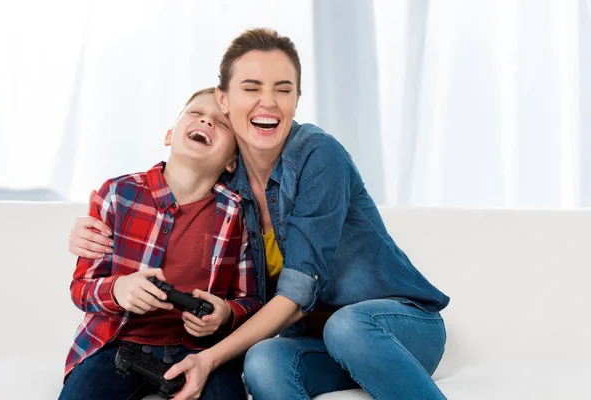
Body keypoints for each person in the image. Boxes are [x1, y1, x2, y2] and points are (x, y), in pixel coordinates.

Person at [69, 29, 450, 400]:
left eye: (283, 89)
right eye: (251, 88)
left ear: (296, 101)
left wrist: (209, 357)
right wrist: (90, 231)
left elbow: (299, 292)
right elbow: (167, 197)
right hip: (321, 340)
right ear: (225, 100)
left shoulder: (319, 156)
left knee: (348, 326)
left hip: (395, 329)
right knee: (264, 360)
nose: (268, 101)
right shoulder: (228, 190)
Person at [60, 88, 261, 400]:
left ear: (232, 161)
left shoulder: (237, 216)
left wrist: (225, 313)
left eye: (222, 123)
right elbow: (80, 288)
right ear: (170, 135)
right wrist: (118, 289)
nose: (207, 121)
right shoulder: (117, 194)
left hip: (200, 352)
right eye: (196, 114)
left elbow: (250, 301)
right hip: (116, 346)